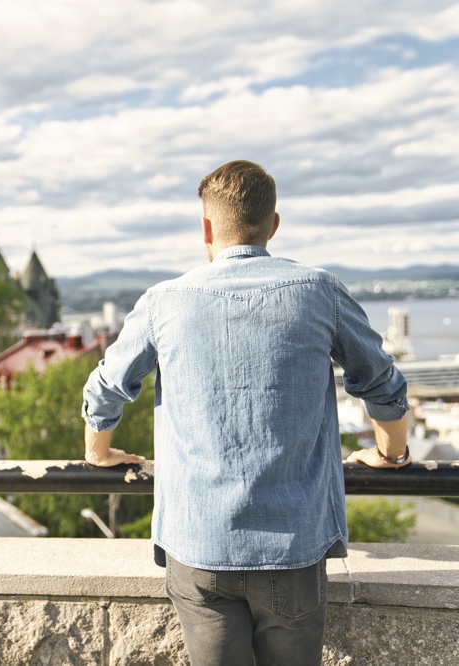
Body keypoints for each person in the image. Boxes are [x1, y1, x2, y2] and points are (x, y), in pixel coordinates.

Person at [80, 160, 411, 666]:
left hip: (198, 546)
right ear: (274, 224)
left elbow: (107, 386)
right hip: (293, 551)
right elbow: (381, 382)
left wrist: (97, 451)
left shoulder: (162, 302)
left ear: (206, 228)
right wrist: (392, 453)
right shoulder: (320, 292)